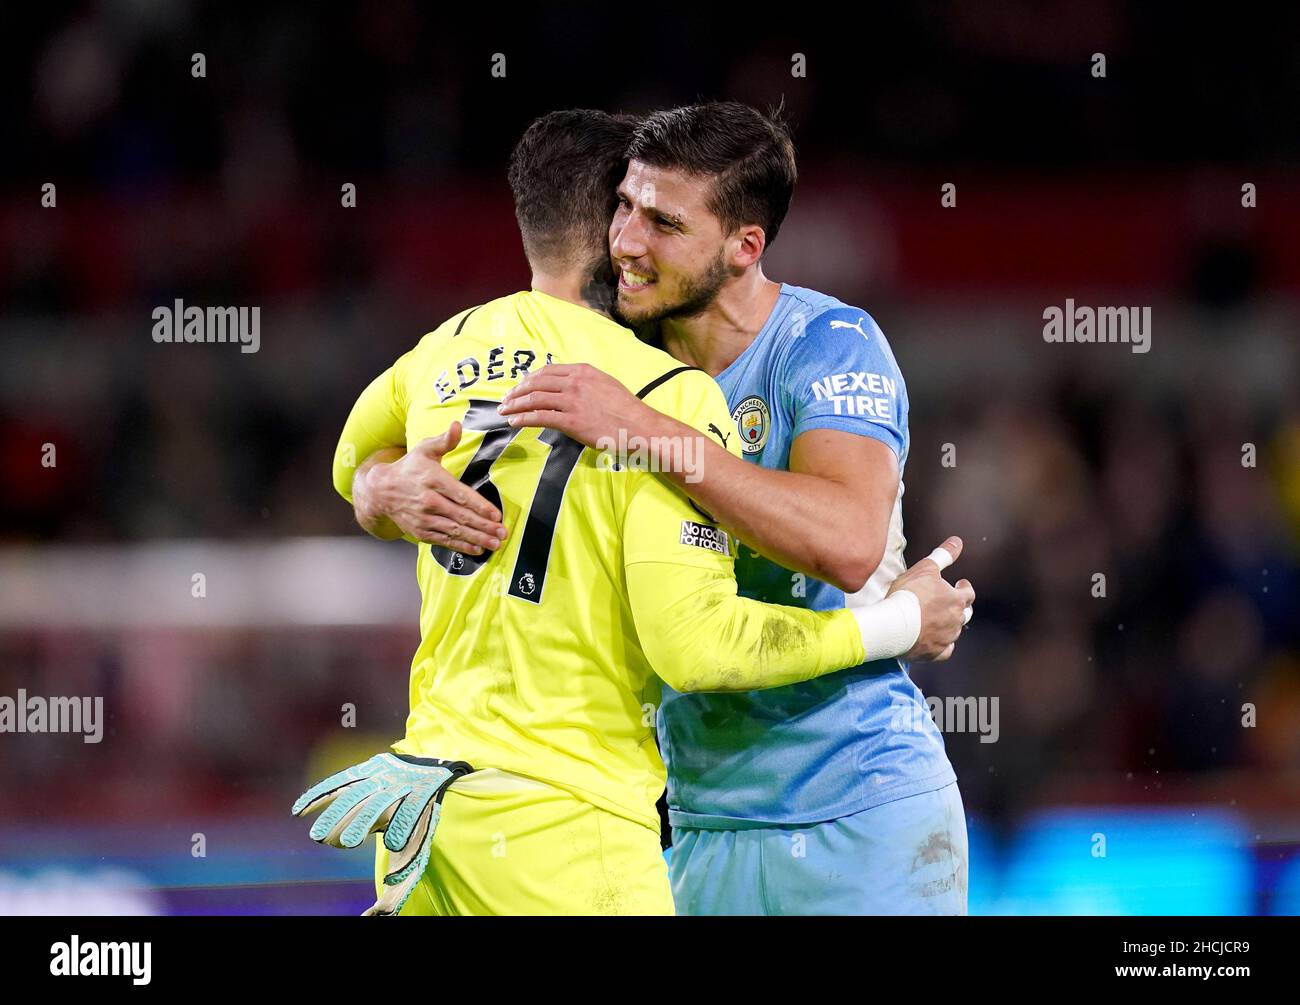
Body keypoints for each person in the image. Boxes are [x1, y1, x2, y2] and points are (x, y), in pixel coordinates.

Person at [498, 102, 972, 914]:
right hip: (698, 824)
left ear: (744, 245)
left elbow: (849, 540)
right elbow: (453, 393)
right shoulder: (618, 351)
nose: (626, 242)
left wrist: (646, 431)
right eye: (624, 206)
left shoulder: (827, 344)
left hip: (862, 812)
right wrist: (384, 486)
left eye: (663, 223)